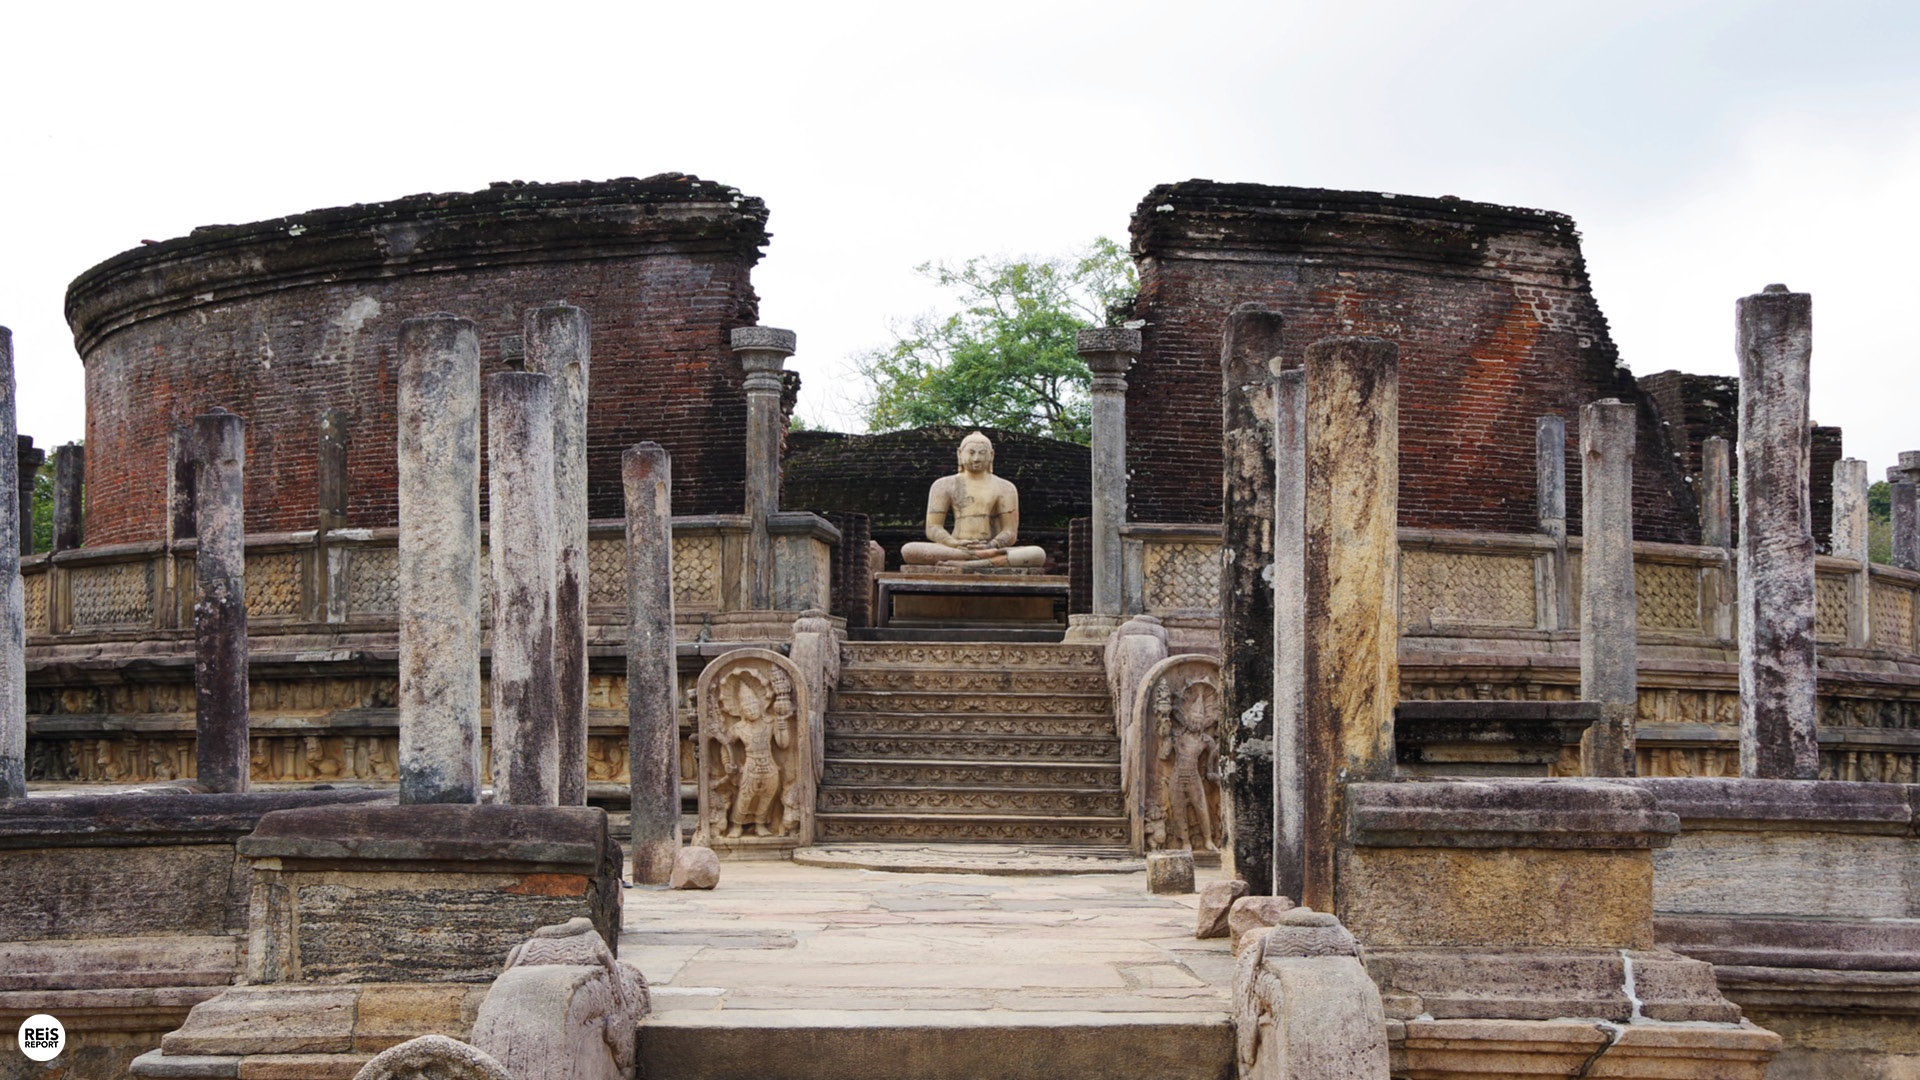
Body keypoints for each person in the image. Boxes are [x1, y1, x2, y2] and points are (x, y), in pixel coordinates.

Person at [900, 432, 1047, 568]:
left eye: (982, 453)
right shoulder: (943, 485)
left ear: (991, 455)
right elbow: (933, 528)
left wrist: (991, 545)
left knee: (1037, 554)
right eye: (971, 453)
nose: (976, 458)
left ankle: (970, 564)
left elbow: (1010, 531)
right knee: (909, 550)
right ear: (959, 454)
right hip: (955, 548)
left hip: (991, 548)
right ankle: (984, 559)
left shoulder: (1005, 487)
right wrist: (955, 543)